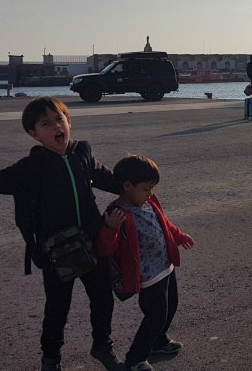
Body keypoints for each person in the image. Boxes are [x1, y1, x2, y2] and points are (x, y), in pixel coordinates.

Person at [0, 97, 123, 371]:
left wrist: (135, 187)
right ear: (35, 135)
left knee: (103, 300)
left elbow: (106, 177)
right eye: (46, 123)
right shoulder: (32, 167)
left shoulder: (82, 152)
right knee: (57, 309)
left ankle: (102, 347)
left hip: (93, 243)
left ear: (69, 122)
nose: (56, 126)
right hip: (58, 251)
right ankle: (51, 359)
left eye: (59, 119)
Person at [96, 155, 196, 371]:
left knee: (170, 307)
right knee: (156, 314)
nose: (150, 193)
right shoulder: (116, 214)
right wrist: (111, 229)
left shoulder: (149, 202)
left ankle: (159, 341)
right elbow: (105, 249)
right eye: (146, 188)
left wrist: (179, 236)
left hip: (164, 266)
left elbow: (164, 223)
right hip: (147, 277)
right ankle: (135, 358)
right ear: (127, 186)